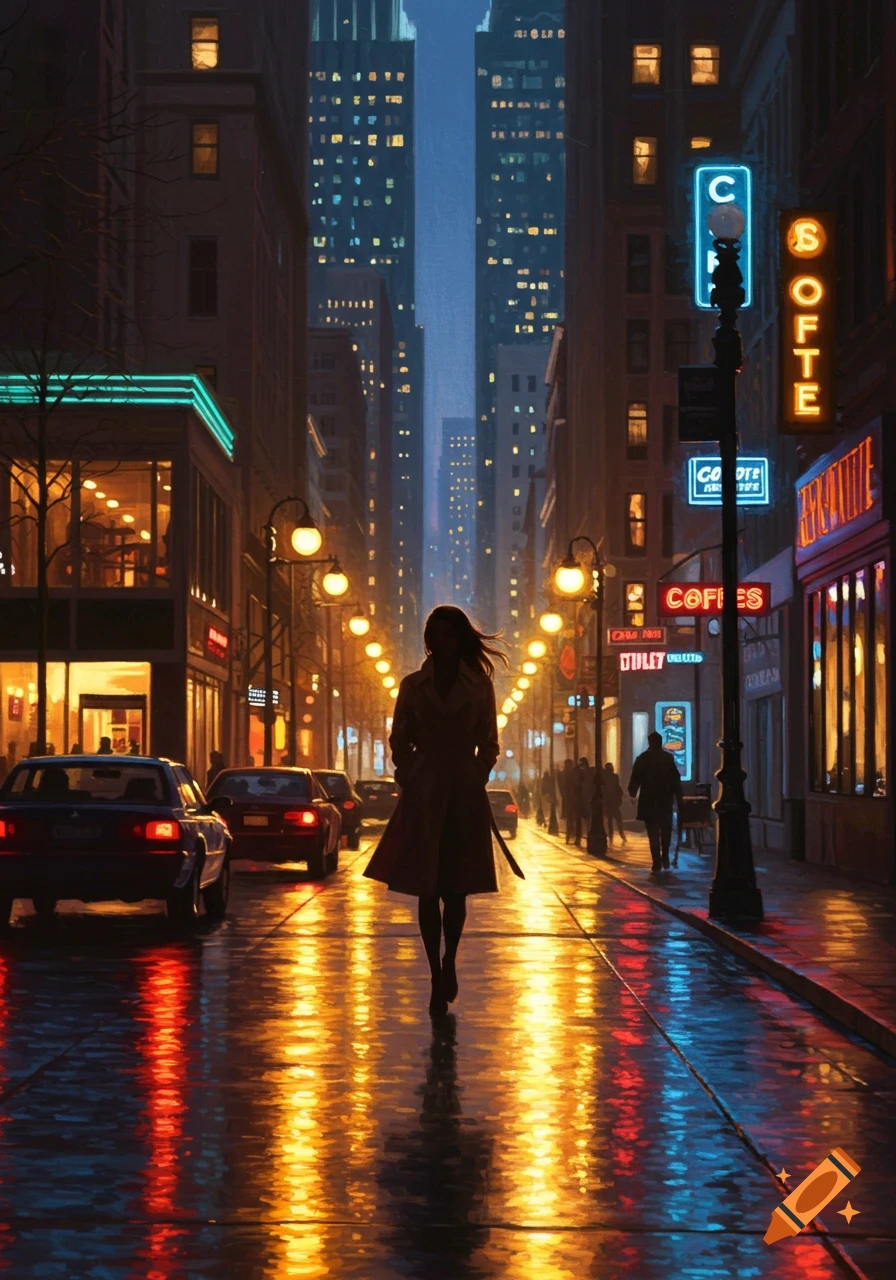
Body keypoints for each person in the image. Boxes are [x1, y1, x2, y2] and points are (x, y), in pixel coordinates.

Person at [364, 606, 508, 1017]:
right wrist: (410, 771)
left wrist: (478, 770)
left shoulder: (480, 687)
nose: (441, 642)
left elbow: (490, 741)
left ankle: (450, 961)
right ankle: (434, 972)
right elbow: (398, 739)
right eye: (435, 634)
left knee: (456, 887)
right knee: (427, 888)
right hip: (425, 791)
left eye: (448, 634)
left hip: (463, 789)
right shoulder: (412, 685)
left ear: (460, 638)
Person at [628, 732, 682, 872]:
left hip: (649, 800)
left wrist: (632, 793)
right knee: (666, 830)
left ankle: (656, 861)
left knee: (652, 832)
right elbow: (675, 779)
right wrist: (678, 796)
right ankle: (665, 857)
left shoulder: (643, 758)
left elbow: (635, 778)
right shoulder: (667, 758)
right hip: (665, 800)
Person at [602, 762, 627, 846]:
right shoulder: (612, 777)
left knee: (613, 821)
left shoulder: (611, 777)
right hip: (611, 803)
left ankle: (616, 837)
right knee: (615, 821)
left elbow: (616, 788)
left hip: (612, 802)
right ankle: (617, 837)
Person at [563, 758, 582, 846]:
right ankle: (571, 836)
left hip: (574, 799)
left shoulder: (572, 774)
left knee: (574, 819)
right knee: (572, 819)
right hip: (571, 800)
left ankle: (573, 836)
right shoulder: (566, 774)